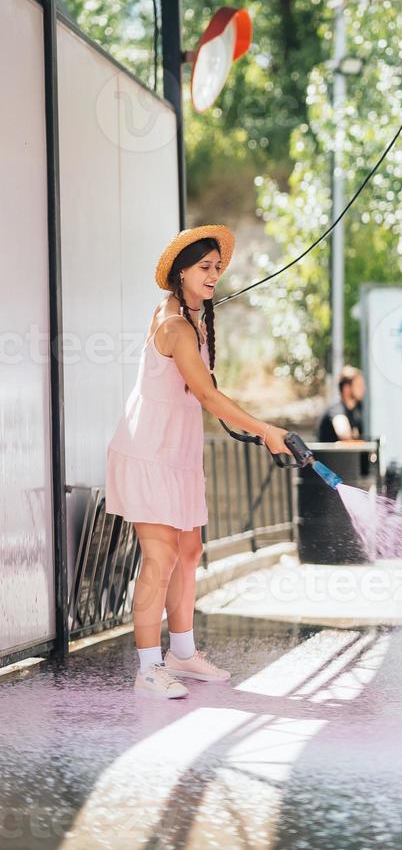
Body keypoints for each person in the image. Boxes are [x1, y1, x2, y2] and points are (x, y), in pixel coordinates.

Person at [105, 224, 292, 700]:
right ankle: (148, 668)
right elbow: (206, 395)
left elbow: (196, 391)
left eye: (217, 268)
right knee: (161, 556)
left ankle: (181, 653)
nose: (214, 275)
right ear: (180, 271)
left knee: (189, 553)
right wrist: (267, 430)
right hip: (150, 450)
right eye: (205, 268)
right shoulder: (175, 327)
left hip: (179, 452)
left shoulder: (193, 317)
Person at [317, 365, 366, 442]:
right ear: (346, 388)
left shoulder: (359, 409)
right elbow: (344, 435)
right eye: (358, 385)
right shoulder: (336, 410)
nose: (363, 389)